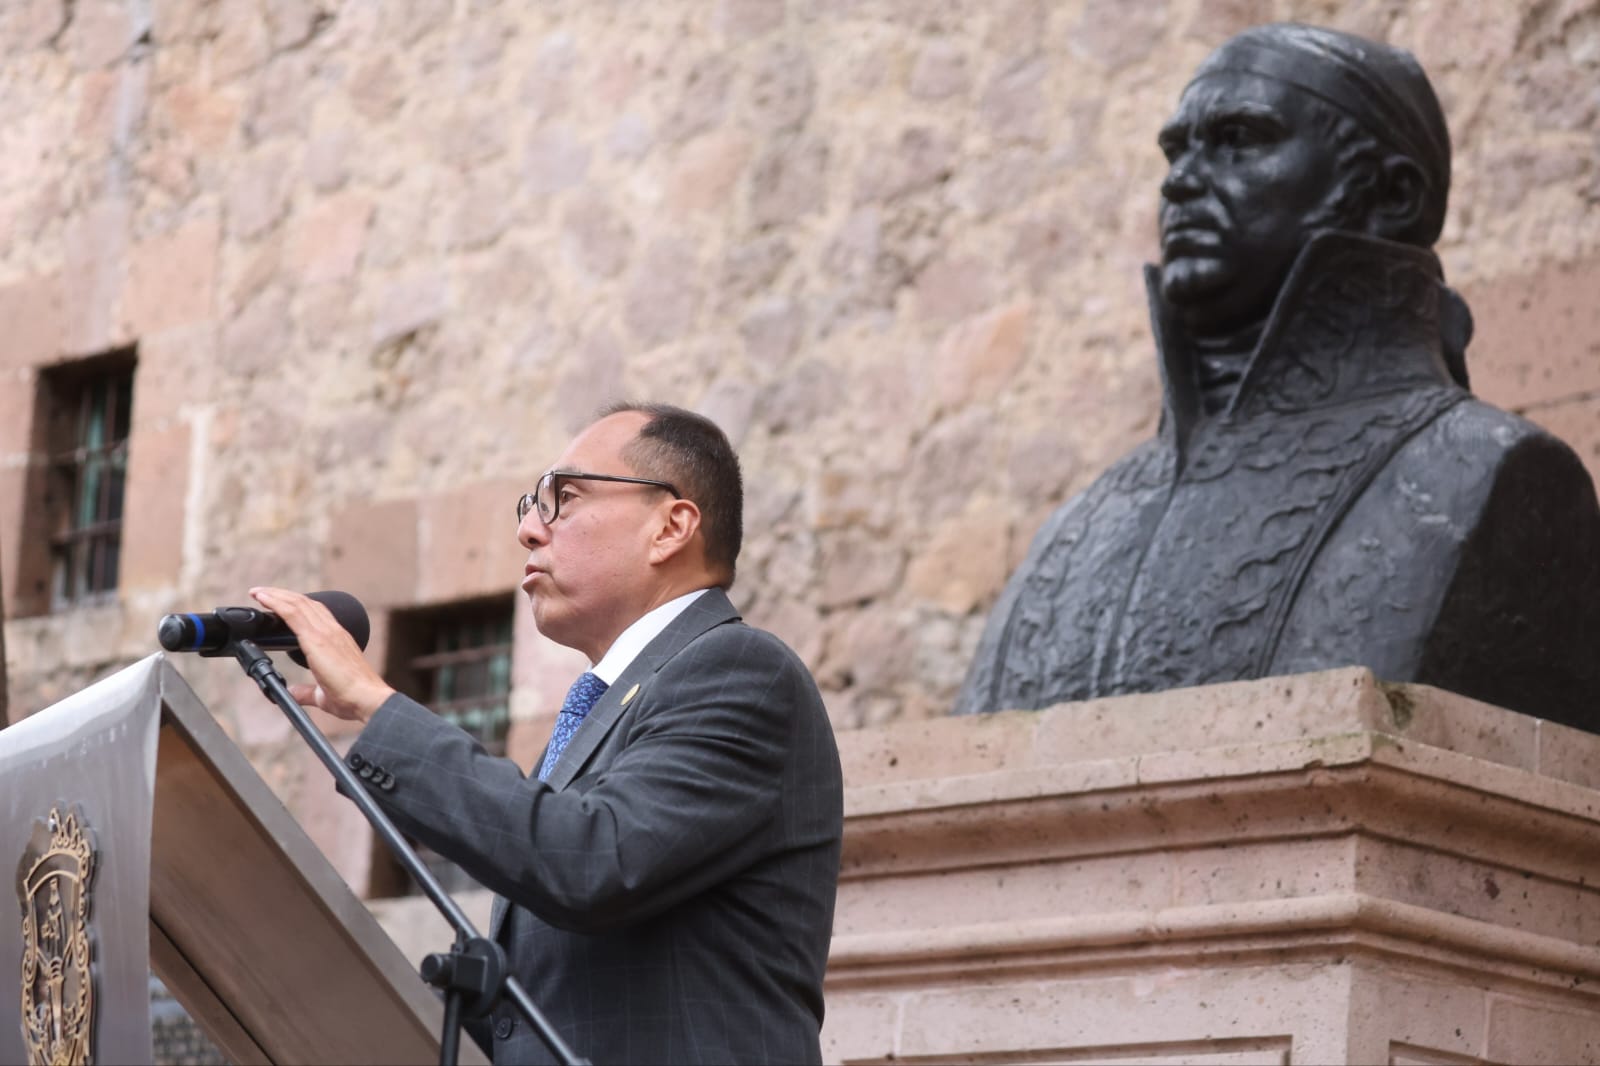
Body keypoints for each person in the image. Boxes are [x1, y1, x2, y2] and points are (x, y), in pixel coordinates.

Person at [955, 23, 1600, 728]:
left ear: (1393, 195)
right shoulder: (1079, 530)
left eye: (1239, 140)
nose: (1179, 180)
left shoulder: (1488, 473)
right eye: (1176, 150)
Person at [253, 403, 844, 1065]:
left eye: (566, 497)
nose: (529, 530)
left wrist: (377, 703)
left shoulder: (739, 670)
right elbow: (546, 998)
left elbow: (590, 861)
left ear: (670, 527)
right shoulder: (602, 712)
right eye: (532, 505)